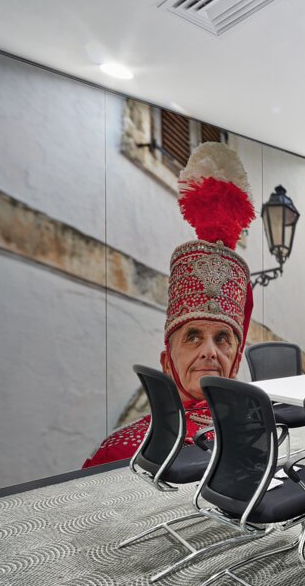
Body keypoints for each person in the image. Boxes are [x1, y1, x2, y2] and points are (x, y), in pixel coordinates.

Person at [83, 142, 256, 468]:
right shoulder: (121, 452)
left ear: (235, 360)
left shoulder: (260, 436)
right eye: (192, 335)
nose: (209, 351)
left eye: (222, 338)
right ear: (166, 361)